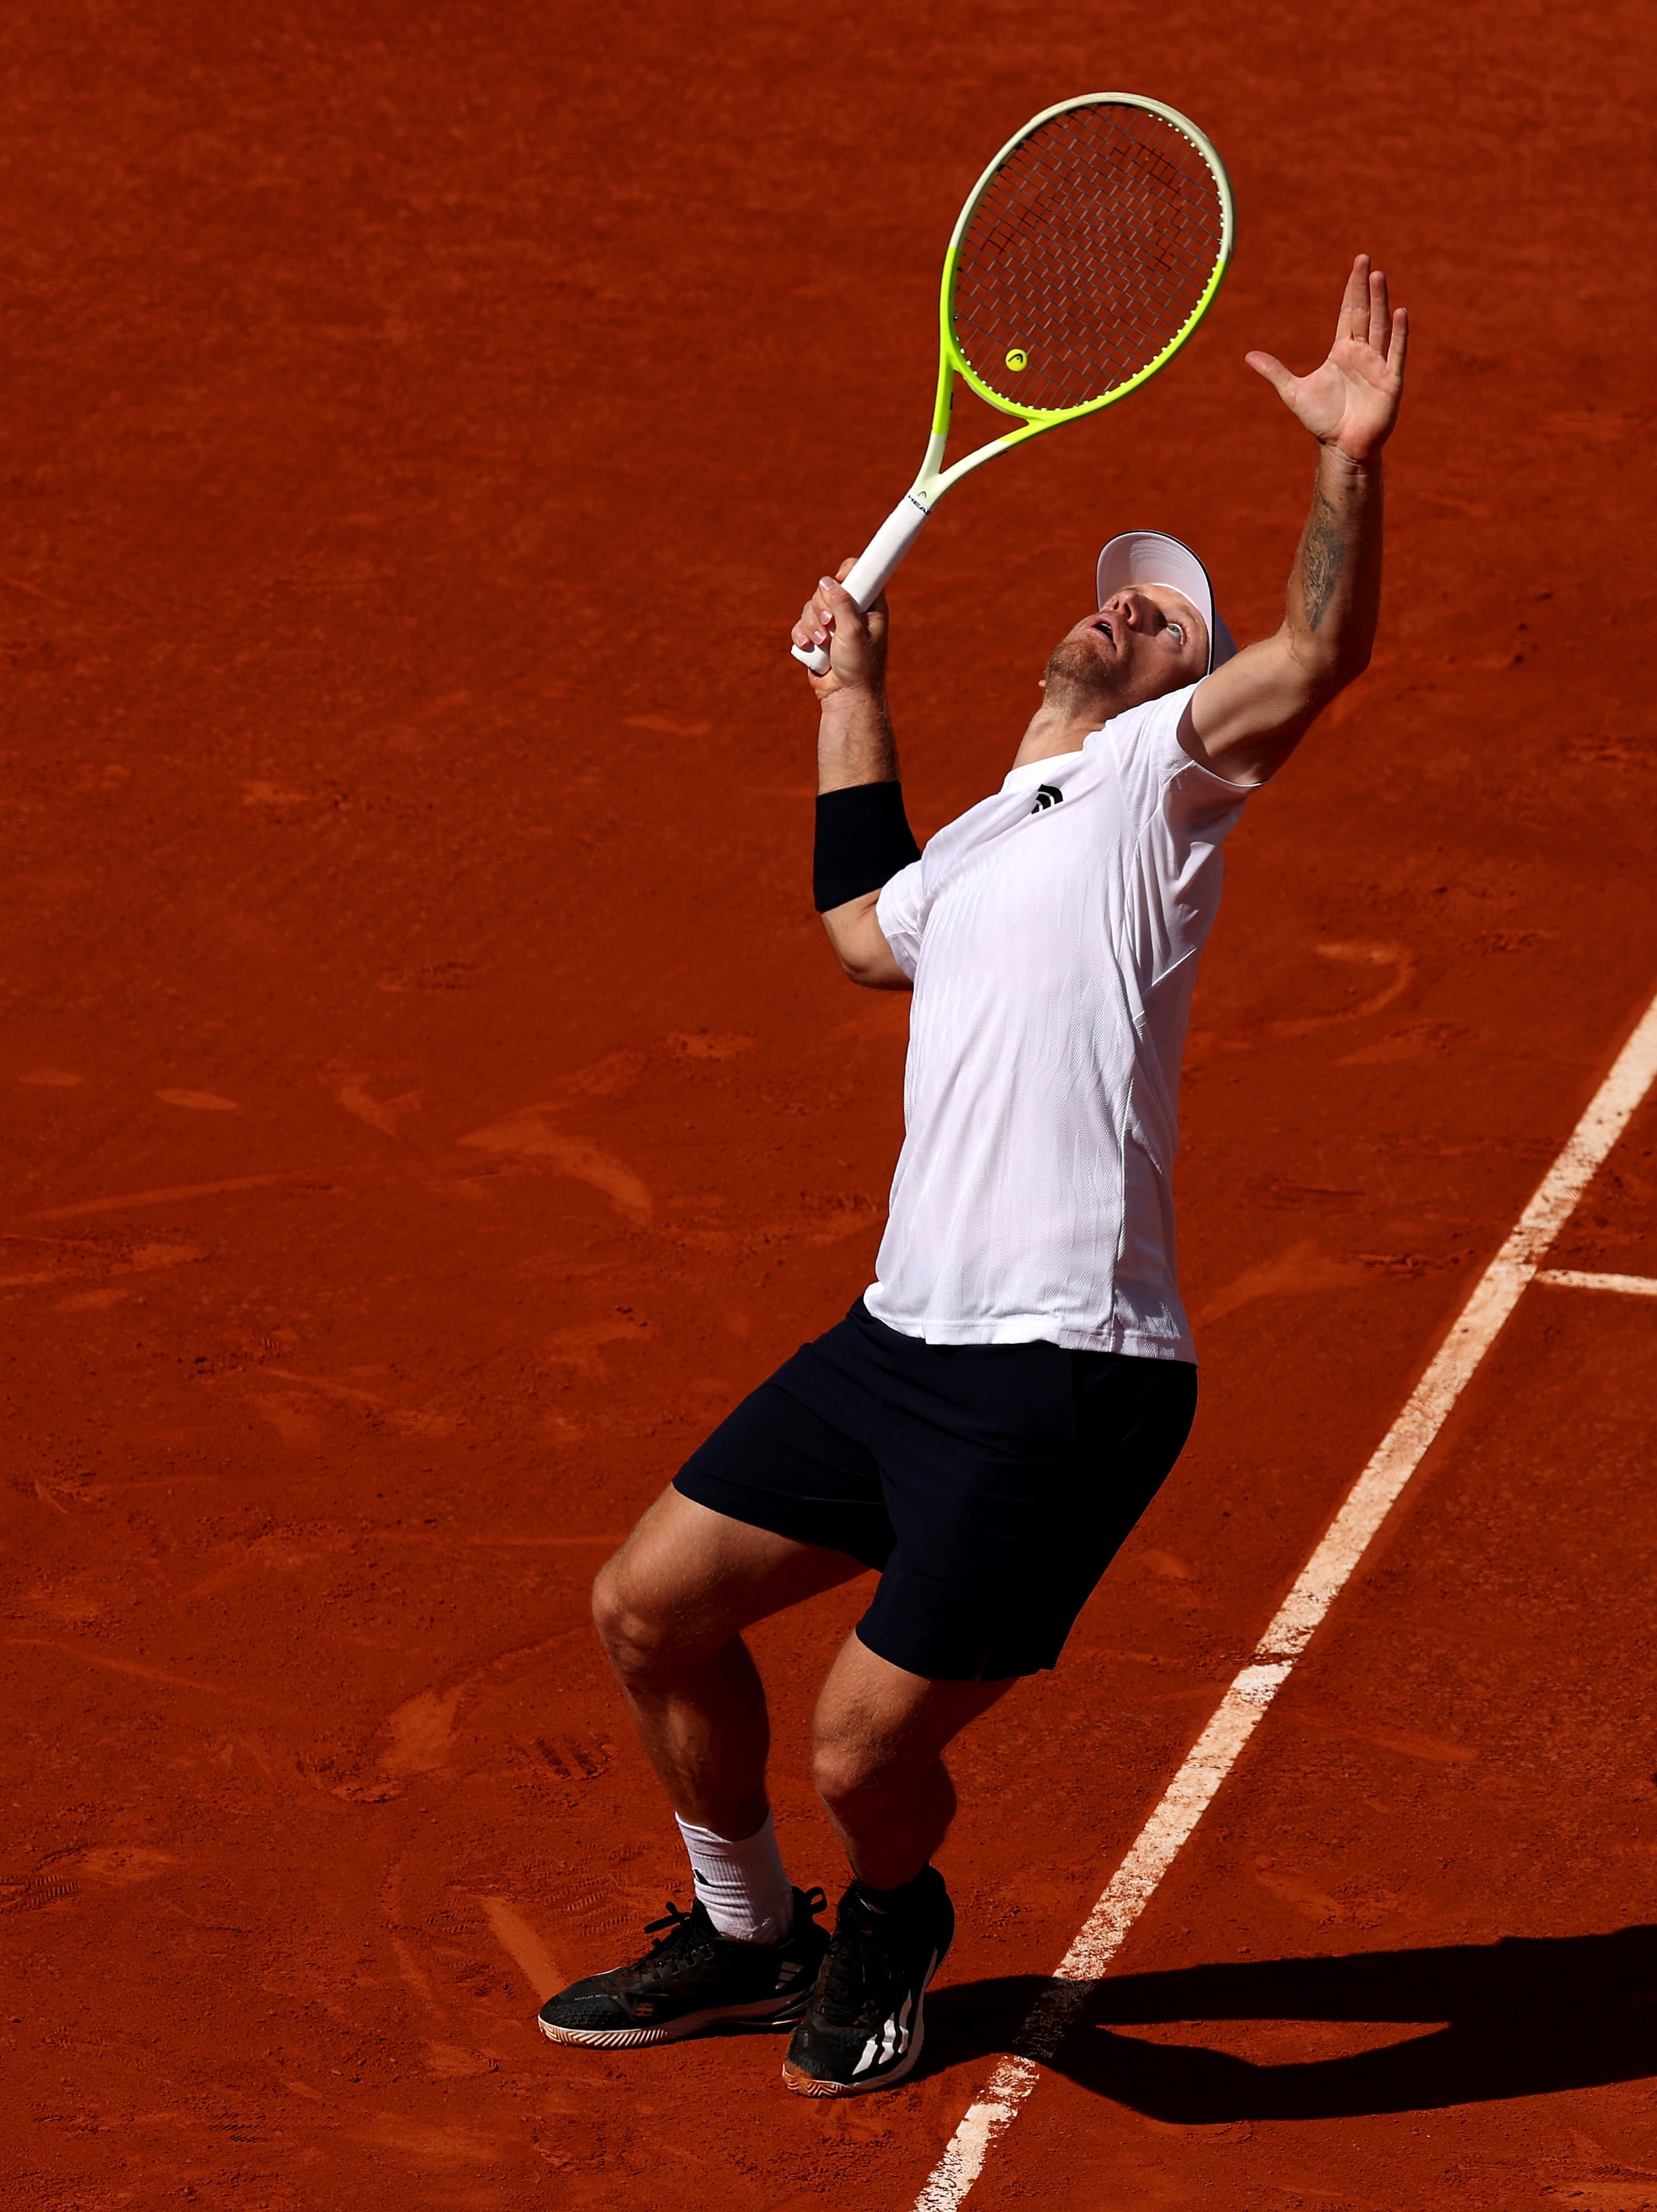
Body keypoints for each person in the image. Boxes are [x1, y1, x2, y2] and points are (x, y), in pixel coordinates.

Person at [531, 258, 1409, 2097]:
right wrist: (851, 683)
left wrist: (1344, 463)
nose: (1128, 617)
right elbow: (864, 928)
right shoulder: (1003, 837)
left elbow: (1319, 654)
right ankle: (744, 1928)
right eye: (1118, 601)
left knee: (864, 1756)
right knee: (645, 1608)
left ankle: (892, 1912)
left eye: (1166, 614)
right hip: (899, 1343)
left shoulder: (1164, 789)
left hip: (1064, 1379)